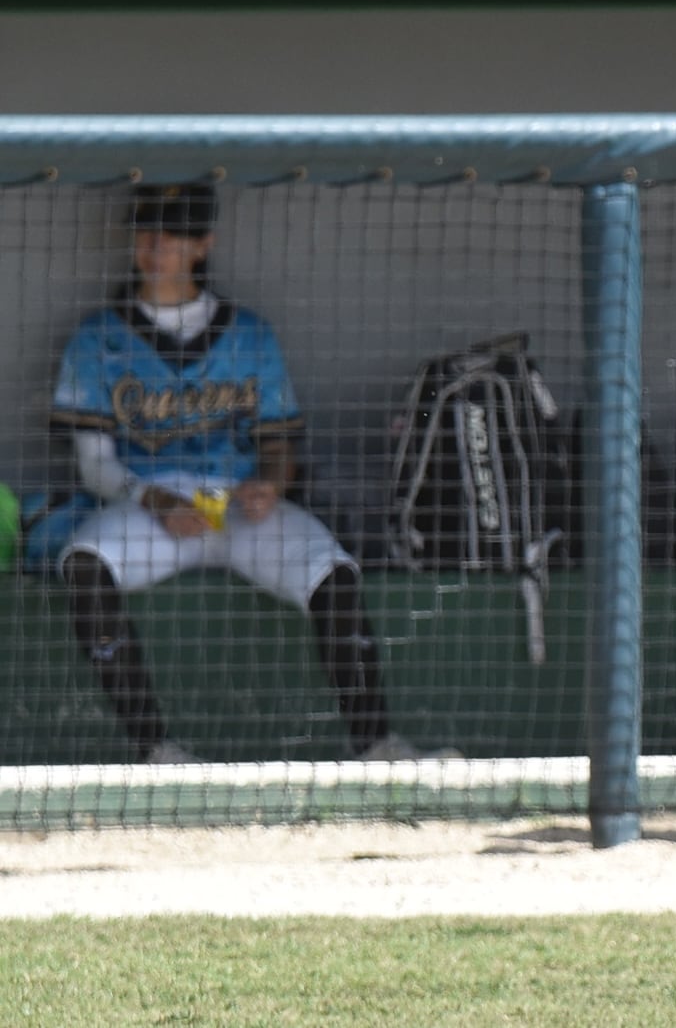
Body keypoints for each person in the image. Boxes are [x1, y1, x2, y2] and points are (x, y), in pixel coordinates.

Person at [49, 183, 445, 763]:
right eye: (147, 231)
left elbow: (280, 443)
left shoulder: (250, 334)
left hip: (230, 500)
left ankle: (378, 744)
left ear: (202, 245)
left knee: (331, 570)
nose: (156, 245)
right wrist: (153, 500)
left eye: (175, 234)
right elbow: (93, 465)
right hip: (148, 504)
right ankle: (156, 752)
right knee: (84, 566)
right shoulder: (97, 338)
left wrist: (272, 484)